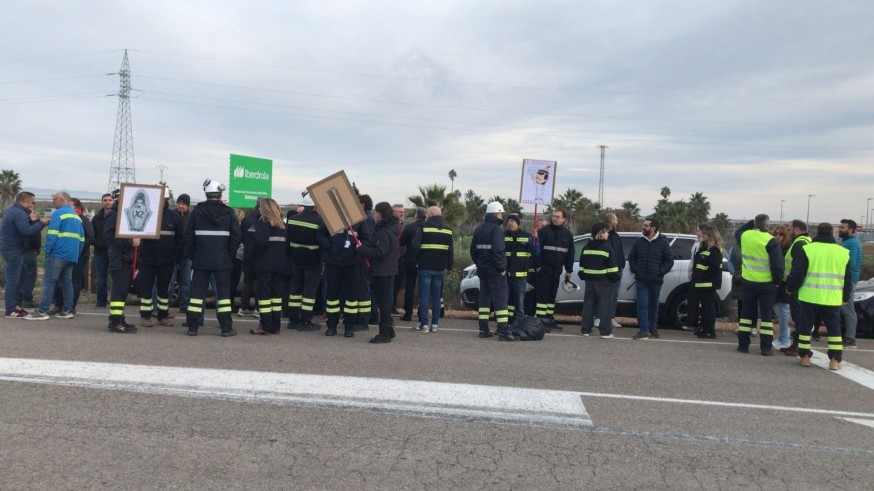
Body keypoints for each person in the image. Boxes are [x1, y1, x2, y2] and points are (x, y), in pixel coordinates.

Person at [786, 222, 853, 370]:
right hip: (832, 297)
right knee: (834, 330)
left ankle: (804, 357)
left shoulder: (807, 249)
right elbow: (848, 278)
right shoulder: (842, 252)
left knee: (805, 327)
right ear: (831, 233)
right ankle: (835, 360)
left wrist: (790, 288)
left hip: (809, 296)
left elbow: (798, 273)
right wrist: (845, 297)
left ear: (817, 233)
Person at [184, 179, 241, 337]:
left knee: (196, 295)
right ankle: (226, 328)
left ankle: (193, 327)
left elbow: (188, 236)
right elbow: (236, 237)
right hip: (222, 260)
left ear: (206, 194)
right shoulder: (229, 212)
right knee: (223, 296)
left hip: (201, 259)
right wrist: (229, 255)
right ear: (220, 194)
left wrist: (194, 255)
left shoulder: (196, 211)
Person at [24, 192, 84, 320]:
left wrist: (47, 250)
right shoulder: (76, 216)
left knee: (49, 281)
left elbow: (52, 234)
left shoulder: (58, 213)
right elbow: (82, 239)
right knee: (67, 282)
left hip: (58, 253)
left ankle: (42, 311)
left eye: (54, 200)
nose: (53, 202)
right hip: (72, 255)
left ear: (61, 200)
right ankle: (67, 310)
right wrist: (76, 253)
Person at [734, 214, 784, 355]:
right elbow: (778, 265)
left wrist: (752, 223)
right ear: (767, 226)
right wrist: (776, 282)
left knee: (746, 314)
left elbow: (738, 232)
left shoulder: (746, 236)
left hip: (748, 281)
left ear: (755, 224)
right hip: (767, 284)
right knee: (766, 317)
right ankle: (766, 348)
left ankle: (743, 345)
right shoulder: (771, 241)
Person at [317, 216, 372, 338]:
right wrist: (330, 247)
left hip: (352, 263)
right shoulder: (330, 217)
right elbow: (320, 235)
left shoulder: (359, 221)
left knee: (351, 297)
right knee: (332, 296)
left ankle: (349, 326)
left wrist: (358, 248)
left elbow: (367, 239)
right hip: (333, 262)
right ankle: (331, 326)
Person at [357, 202, 401, 343]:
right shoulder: (390, 229)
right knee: (385, 302)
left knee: (383, 303)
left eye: (376, 213)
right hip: (388, 270)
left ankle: (384, 333)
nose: (374, 215)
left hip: (382, 272)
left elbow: (379, 252)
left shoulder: (383, 232)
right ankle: (389, 330)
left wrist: (362, 249)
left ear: (380, 214)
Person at [136, 198, 183, 327]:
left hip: (167, 261)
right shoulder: (146, 213)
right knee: (146, 290)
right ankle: (146, 316)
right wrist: (141, 255)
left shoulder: (174, 217)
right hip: (147, 260)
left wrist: (175, 257)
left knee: (164, 291)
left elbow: (180, 239)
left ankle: (163, 316)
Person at [1, 191, 48, 317]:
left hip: (13, 249)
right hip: (13, 250)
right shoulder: (19, 213)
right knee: (13, 280)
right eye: (32, 202)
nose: (33, 205)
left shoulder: (14, 211)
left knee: (21, 277)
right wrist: (41, 223)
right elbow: (26, 231)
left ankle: (16, 304)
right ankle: (10, 309)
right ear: (25, 202)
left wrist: (29, 219)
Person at [471, 202, 513, 340]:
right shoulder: (496, 230)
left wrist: (479, 264)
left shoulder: (479, 229)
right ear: (496, 214)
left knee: (484, 298)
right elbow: (498, 251)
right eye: (501, 214)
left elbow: (473, 251)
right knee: (500, 299)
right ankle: (503, 331)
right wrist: (502, 268)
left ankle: (483, 330)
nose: (502, 217)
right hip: (495, 270)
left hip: (483, 269)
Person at [628, 217, 674, 340]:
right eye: (644, 225)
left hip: (656, 280)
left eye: (646, 225)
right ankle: (643, 330)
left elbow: (669, 261)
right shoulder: (639, 242)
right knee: (642, 304)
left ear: (653, 228)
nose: (643, 227)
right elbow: (632, 258)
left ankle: (653, 327)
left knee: (654, 304)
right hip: (641, 279)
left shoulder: (663, 242)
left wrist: (660, 272)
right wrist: (636, 269)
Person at [412, 206, 454, 333]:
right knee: (436, 296)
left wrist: (415, 260)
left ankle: (424, 325)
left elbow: (415, 246)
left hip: (424, 267)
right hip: (440, 268)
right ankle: (435, 324)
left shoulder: (423, 227)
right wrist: (449, 267)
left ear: (429, 215)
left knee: (424, 296)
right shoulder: (448, 230)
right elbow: (450, 251)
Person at [48, 197, 93, 315]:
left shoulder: (83, 219)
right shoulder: (66, 218)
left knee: (73, 280)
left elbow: (90, 237)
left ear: (78, 208)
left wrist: (77, 249)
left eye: (71, 205)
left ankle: (71, 306)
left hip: (79, 255)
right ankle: (59, 304)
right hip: (64, 253)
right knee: (59, 280)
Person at [286, 193, 324, 331]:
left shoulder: (293, 219)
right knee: (309, 292)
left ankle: (293, 319)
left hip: (296, 260)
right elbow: (321, 242)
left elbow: (287, 241)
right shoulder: (319, 221)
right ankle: (306, 320)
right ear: (315, 206)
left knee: (295, 290)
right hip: (313, 261)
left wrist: (291, 255)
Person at [249, 198, 286, 335]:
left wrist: (254, 257)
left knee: (264, 296)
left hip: (264, 264)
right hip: (278, 264)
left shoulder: (263, 223)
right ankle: (275, 325)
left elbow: (260, 243)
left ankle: (265, 325)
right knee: (276, 296)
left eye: (261, 207)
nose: (259, 209)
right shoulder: (281, 224)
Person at [534, 209, 575, 331]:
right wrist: (538, 265)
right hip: (544, 269)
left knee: (551, 298)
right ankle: (541, 322)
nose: (554, 218)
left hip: (557, 270)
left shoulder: (567, 235)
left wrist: (569, 270)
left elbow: (570, 254)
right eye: (553, 216)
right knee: (542, 297)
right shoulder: (544, 232)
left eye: (557, 217)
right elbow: (537, 250)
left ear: (563, 219)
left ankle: (549, 320)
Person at [104, 190, 138, 333]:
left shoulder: (126, 213)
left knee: (123, 291)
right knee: (119, 291)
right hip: (119, 259)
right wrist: (131, 242)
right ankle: (115, 322)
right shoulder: (114, 214)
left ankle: (118, 317)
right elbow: (109, 236)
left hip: (127, 259)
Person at [578, 222, 620, 338]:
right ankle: (605, 332)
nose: (608, 234)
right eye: (606, 232)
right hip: (604, 282)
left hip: (589, 282)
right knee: (605, 307)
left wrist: (584, 275)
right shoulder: (607, 247)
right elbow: (612, 267)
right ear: (601, 233)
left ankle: (585, 330)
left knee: (588, 305)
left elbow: (581, 266)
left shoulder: (586, 247)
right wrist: (615, 278)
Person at [780, 220, 811, 356]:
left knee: (798, 317)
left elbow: (797, 268)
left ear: (797, 229)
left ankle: (798, 346)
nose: (788, 231)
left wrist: (791, 286)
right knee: (797, 317)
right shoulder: (806, 241)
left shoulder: (800, 243)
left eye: (789, 228)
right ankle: (795, 344)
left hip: (796, 287)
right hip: (799, 286)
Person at [692, 225, 725, 339]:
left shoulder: (714, 249)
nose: (702, 235)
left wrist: (702, 275)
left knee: (709, 308)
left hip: (708, 283)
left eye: (704, 234)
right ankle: (705, 329)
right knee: (705, 308)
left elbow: (714, 267)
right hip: (701, 283)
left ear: (710, 236)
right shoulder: (704, 247)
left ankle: (710, 331)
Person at [504, 213, 535, 323]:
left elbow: (535, 251)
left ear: (518, 223)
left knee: (519, 304)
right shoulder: (503, 236)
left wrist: (536, 240)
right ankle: (505, 325)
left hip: (520, 277)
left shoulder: (527, 236)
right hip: (505, 275)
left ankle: (519, 326)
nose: (509, 223)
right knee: (505, 303)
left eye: (512, 221)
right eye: (508, 221)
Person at [398, 207, 426, 321]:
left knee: (409, 288)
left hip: (410, 261)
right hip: (424, 262)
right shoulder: (428, 228)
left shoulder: (409, 227)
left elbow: (402, 242)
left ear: (416, 215)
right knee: (423, 289)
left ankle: (408, 314)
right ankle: (421, 314)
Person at [838, 219, 862, 349]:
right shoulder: (847, 242)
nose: (840, 229)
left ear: (851, 229)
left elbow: (850, 264)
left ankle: (850, 338)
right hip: (846, 279)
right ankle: (846, 335)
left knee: (848, 308)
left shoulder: (852, 243)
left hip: (849, 280)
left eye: (842, 227)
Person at [237, 200, 261, 317]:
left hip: (248, 253)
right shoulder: (264, 219)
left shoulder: (246, 219)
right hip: (261, 254)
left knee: (248, 282)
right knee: (260, 283)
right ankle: (258, 309)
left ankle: (243, 307)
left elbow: (241, 237)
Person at [681, 224, 707, 332]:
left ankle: (696, 323)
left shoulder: (703, 244)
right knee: (692, 300)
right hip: (693, 274)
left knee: (698, 301)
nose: (697, 233)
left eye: (699, 231)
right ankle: (692, 322)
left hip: (699, 276)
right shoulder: (696, 243)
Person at [169, 193, 192, 313]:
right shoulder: (171, 215)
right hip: (173, 255)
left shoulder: (191, 217)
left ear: (187, 205)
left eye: (183, 204)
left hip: (186, 255)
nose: (181, 206)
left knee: (186, 282)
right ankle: (165, 304)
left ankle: (184, 304)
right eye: (179, 203)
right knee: (170, 282)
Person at [90, 193, 114, 308]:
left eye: (110, 200)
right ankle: (101, 301)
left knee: (115, 278)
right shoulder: (96, 218)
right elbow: (91, 234)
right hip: (100, 252)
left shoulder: (117, 217)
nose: (107, 202)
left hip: (114, 251)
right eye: (105, 200)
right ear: (102, 202)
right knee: (101, 278)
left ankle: (116, 301)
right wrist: (96, 243)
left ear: (113, 202)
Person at [602, 213, 625, 329]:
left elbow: (620, 252)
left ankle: (611, 317)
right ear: (611, 222)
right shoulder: (603, 235)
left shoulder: (616, 236)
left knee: (614, 295)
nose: (617, 222)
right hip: (607, 271)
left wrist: (622, 265)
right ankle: (600, 317)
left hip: (617, 271)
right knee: (604, 295)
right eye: (616, 220)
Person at [771, 225, 792, 348]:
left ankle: (785, 338)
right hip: (776, 284)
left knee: (783, 311)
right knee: (779, 311)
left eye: (780, 234)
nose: (777, 236)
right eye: (776, 233)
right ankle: (784, 337)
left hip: (784, 284)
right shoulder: (775, 248)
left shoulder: (787, 249)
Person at [391, 203, 406, 316]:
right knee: (390, 285)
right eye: (400, 211)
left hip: (401, 260)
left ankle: (393, 307)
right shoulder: (390, 225)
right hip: (391, 259)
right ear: (394, 212)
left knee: (397, 285)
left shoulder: (404, 225)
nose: (402, 213)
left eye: (403, 211)